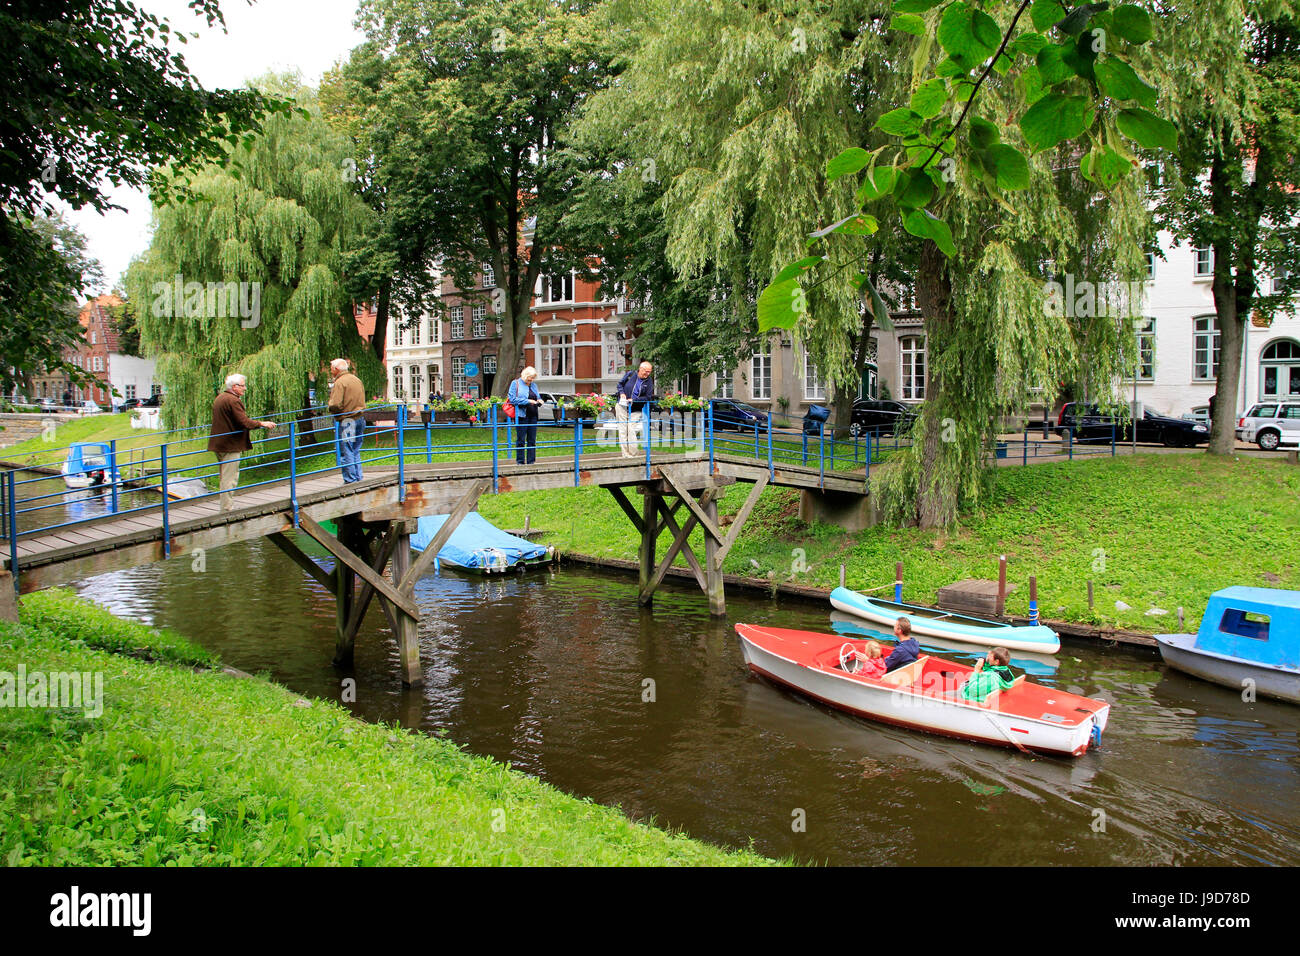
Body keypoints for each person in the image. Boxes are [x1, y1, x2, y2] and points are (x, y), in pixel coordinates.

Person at [207, 373, 276, 511]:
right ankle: (227, 509)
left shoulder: (220, 398)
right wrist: (262, 423)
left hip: (219, 444)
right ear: (234, 386)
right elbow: (243, 422)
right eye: (242, 386)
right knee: (230, 478)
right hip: (229, 445)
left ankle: (225, 506)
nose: (245, 388)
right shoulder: (233, 400)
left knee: (224, 476)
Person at [328, 358, 366, 483]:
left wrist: (330, 406)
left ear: (337, 369)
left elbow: (336, 404)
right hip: (360, 418)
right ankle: (358, 477)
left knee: (347, 450)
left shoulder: (340, 383)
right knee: (355, 449)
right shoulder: (356, 379)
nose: (330, 371)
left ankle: (350, 480)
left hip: (347, 420)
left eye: (331, 368)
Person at [615, 361, 655, 458]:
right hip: (622, 406)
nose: (647, 374)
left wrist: (635, 400)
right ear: (640, 369)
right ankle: (625, 454)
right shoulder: (630, 374)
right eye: (646, 371)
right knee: (623, 430)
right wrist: (622, 393)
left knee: (631, 429)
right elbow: (620, 385)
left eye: (649, 372)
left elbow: (648, 397)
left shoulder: (649, 381)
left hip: (636, 409)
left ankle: (633, 454)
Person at [508, 366, 542, 465]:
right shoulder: (516, 383)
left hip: (533, 415)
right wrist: (527, 401)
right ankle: (520, 461)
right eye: (530, 377)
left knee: (532, 439)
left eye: (533, 378)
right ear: (525, 375)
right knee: (521, 439)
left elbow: (537, 396)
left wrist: (540, 400)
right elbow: (512, 399)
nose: (531, 380)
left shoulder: (534, 385)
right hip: (522, 415)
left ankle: (531, 461)